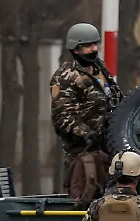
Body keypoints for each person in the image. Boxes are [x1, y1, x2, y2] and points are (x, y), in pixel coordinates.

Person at [50, 23, 124, 197]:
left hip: (110, 147)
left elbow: (115, 97)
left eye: (95, 44)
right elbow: (62, 117)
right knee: (87, 196)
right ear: (76, 49)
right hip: (84, 153)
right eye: (88, 46)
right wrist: (86, 134)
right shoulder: (65, 77)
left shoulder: (99, 68)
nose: (94, 49)